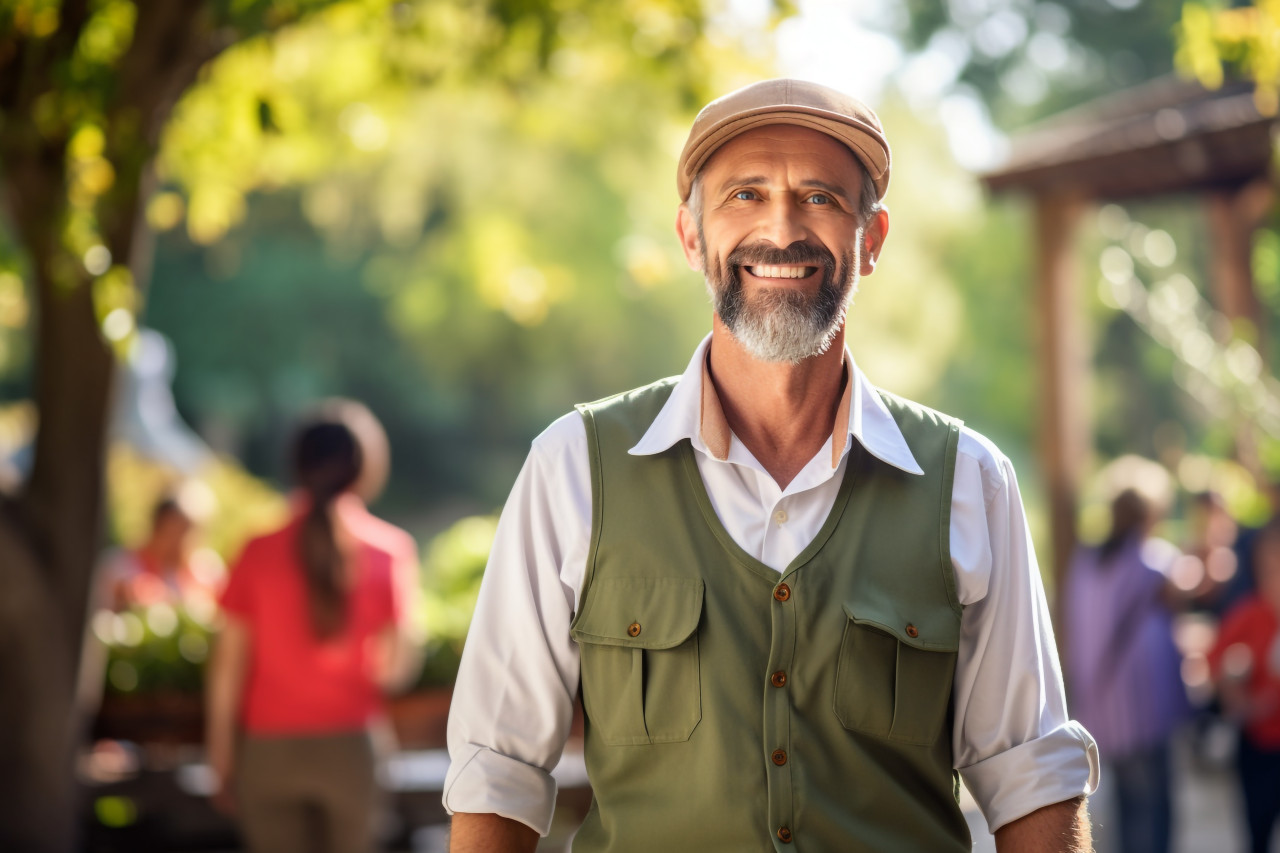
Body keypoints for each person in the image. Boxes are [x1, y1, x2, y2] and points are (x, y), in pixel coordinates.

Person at [444, 79, 1099, 852]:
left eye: (819, 197)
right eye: (744, 196)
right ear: (692, 238)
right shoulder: (572, 467)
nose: (781, 228)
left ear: (873, 238)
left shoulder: (969, 480)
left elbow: (1030, 779)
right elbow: (500, 773)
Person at [206, 400, 421, 853]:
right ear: (365, 467)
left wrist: (221, 756)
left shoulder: (257, 549)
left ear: (297, 464)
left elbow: (228, 667)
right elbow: (398, 668)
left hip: (267, 751)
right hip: (351, 751)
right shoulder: (390, 550)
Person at [1064, 483, 1189, 853]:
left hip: (1103, 711)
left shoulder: (1084, 563)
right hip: (1146, 710)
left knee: (1123, 808)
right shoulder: (1152, 560)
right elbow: (1189, 588)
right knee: (1154, 809)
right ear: (1149, 515)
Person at [1210, 518, 1280, 853]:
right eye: (1269, 570)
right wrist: (1235, 688)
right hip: (1258, 746)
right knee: (1257, 831)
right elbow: (1215, 666)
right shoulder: (1247, 615)